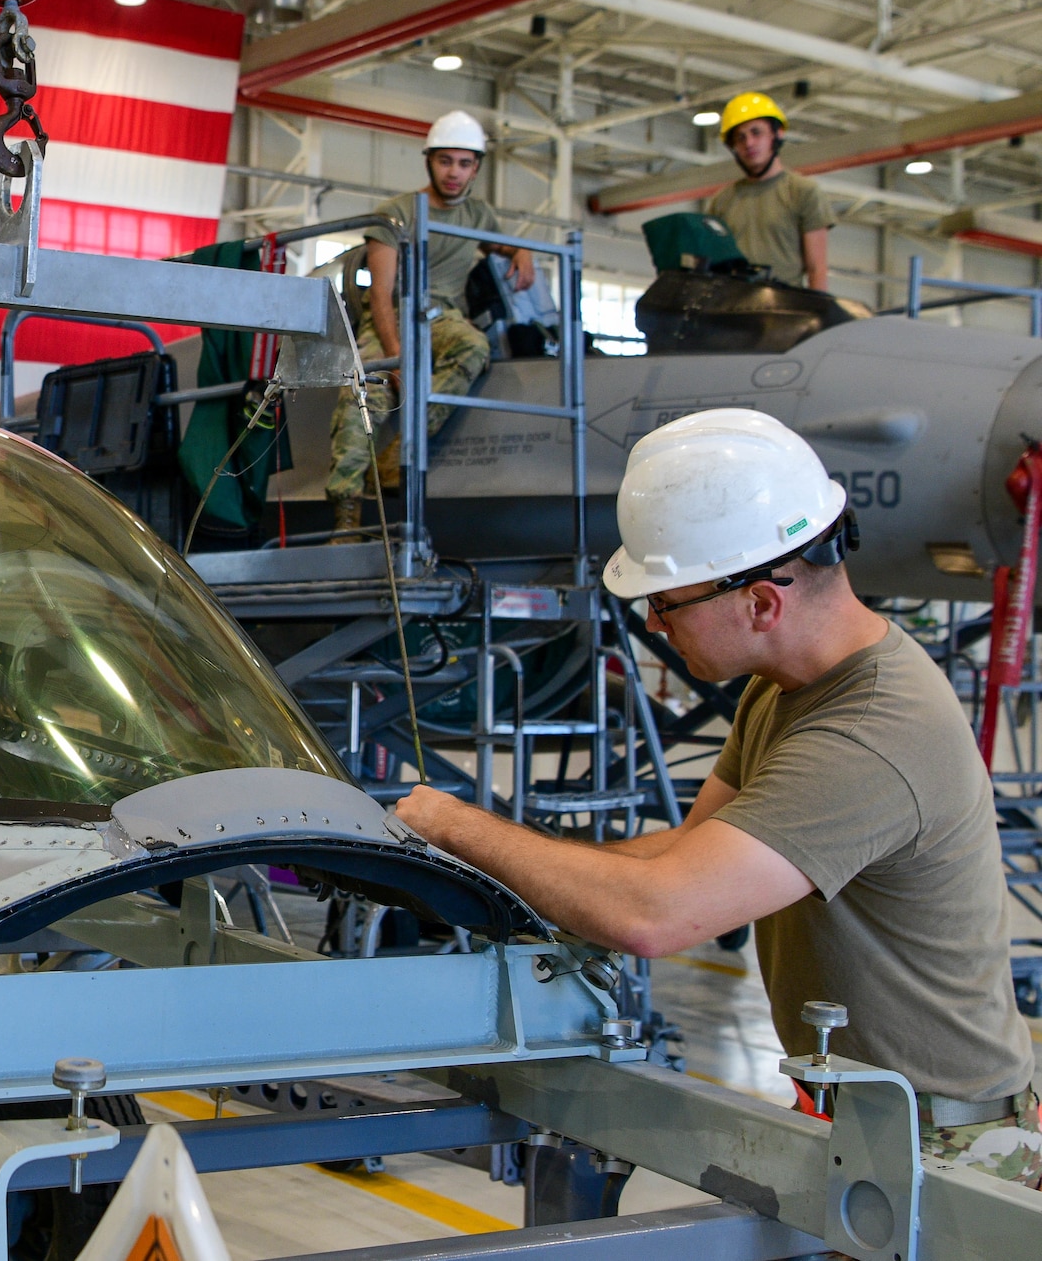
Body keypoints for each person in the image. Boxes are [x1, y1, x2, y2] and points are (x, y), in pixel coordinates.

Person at [393, 408, 1041, 1189]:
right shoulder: (783, 688)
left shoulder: (872, 729)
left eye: (667, 601)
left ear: (762, 602)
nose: (657, 623)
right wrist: (486, 860)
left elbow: (660, 913)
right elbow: (681, 852)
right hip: (860, 1117)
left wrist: (452, 822)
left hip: (950, 1153)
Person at [328, 111, 534, 536]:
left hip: (443, 322)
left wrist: (522, 253)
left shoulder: (478, 215)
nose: (454, 172)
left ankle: (401, 452)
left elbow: (502, 243)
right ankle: (345, 514)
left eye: (464, 163)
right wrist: (396, 356)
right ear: (429, 162)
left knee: (474, 346)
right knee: (362, 398)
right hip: (394, 319)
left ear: (476, 167)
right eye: (445, 161)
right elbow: (381, 296)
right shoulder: (396, 215)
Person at [707, 91, 833, 290]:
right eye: (740, 138)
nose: (749, 143)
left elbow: (817, 269)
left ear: (777, 133)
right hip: (732, 309)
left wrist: (818, 317)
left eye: (756, 132)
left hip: (785, 310)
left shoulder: (803, 191)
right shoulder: (721, 201)